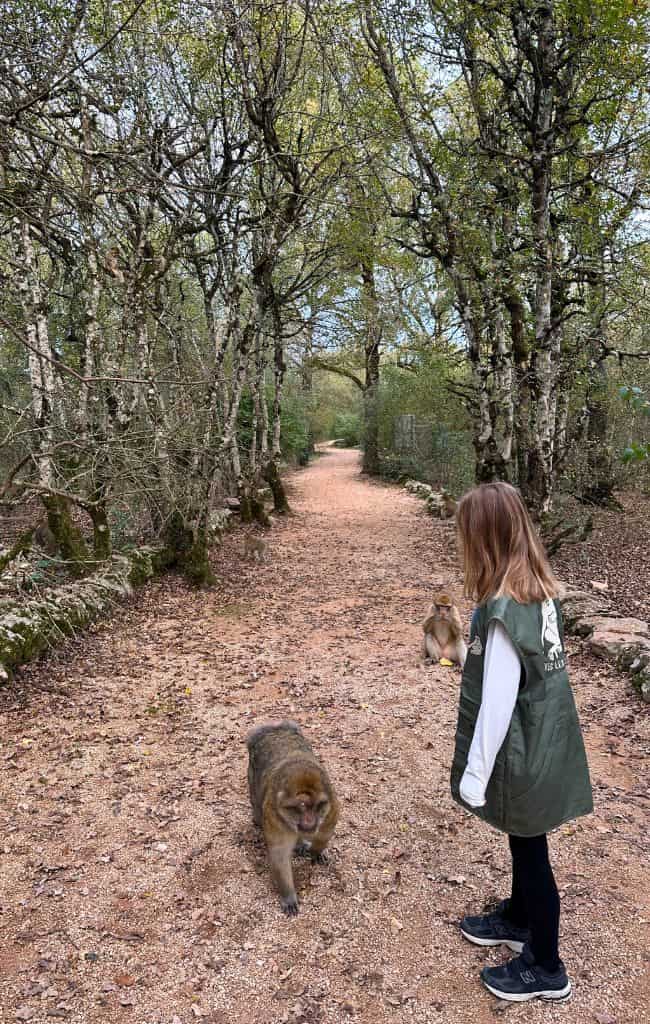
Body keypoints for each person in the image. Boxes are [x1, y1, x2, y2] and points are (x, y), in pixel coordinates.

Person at [450, 481, 593, 1002]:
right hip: (549, 740)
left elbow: (495, 705)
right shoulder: (537, 591)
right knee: (523, 837)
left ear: (484, 540)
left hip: (524, 750)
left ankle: (546, 966)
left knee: (532, 852)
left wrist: (474, 775)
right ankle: (517, 917)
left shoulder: (505, 611)